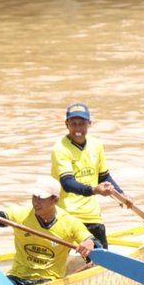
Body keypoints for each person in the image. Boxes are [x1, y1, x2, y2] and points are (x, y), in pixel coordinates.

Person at [0, 176, 95, 285]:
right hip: (17, 276)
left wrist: (88, 244)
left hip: (48, 280)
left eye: (41, 199)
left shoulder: (70, 223)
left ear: (55, 200)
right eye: (34, 197)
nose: (36, 202)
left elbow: (90, 240)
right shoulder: (21, 214)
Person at [51, 102, 123, 251]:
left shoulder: (96, 145)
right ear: (66, 124)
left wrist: (122, 195)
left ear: (89, 123)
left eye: (82, 124)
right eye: (73, 124)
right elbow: (67, 183)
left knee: (103, 259)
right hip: (67, 216)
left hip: (92, 216)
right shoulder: (60, 148)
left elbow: (104, 177)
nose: (78, 129)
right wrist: (94, 190)